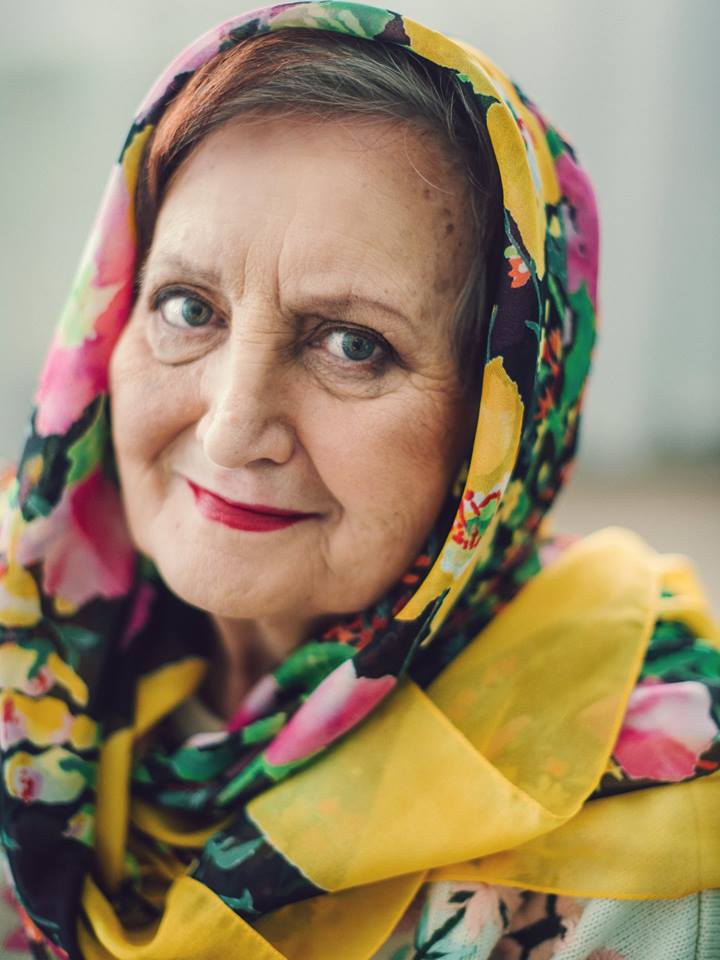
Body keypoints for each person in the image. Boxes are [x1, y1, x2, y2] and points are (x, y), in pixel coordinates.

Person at [0, 2, 718, 957]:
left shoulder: (662, 848)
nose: (231, 430)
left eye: (353, 344)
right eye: (186, 307)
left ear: (500, 426)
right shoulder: (27, 646)